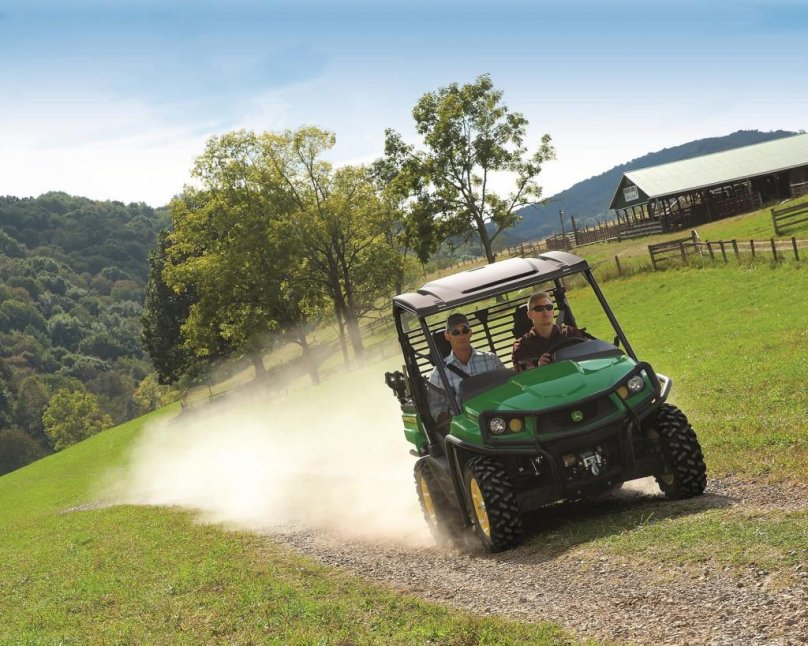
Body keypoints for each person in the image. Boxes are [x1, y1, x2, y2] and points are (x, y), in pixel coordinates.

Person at [429, 312, 506, 399]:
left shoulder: (491, 360)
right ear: (447, 335)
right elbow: (436, 410)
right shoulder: (439, 374)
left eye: (465, 331)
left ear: (470, 333)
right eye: (455, 332)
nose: (461, 336)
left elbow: (508, 388)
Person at [512, 291, 586, 372]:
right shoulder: (522, 346)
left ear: (553, 311)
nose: (545, 311)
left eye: (549, 307)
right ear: (529, 315)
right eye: (539, 308)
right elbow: (523, 374)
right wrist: (538, 366)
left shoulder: (570, 332)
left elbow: (589, 354)